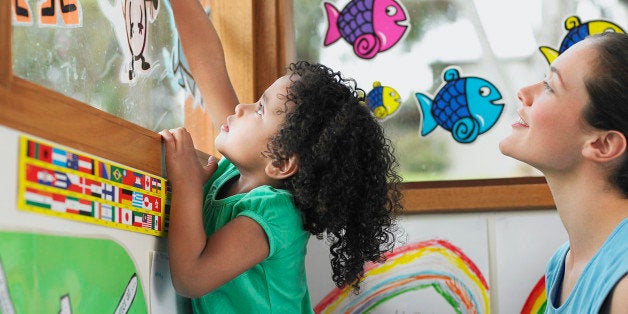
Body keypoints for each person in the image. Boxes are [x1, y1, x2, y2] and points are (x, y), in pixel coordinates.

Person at [160, 1, 403, 313]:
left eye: (260, 108)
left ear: (280, 162)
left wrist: (188, 186)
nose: (240, 108)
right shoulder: (238, 168)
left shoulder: (273, 214)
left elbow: (192, 277)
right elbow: (209, 67)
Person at [499, 32, 628, 313]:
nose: (524, 92)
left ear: (603, 144)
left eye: (549, 86)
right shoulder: (562, 263)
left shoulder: (625, 288)